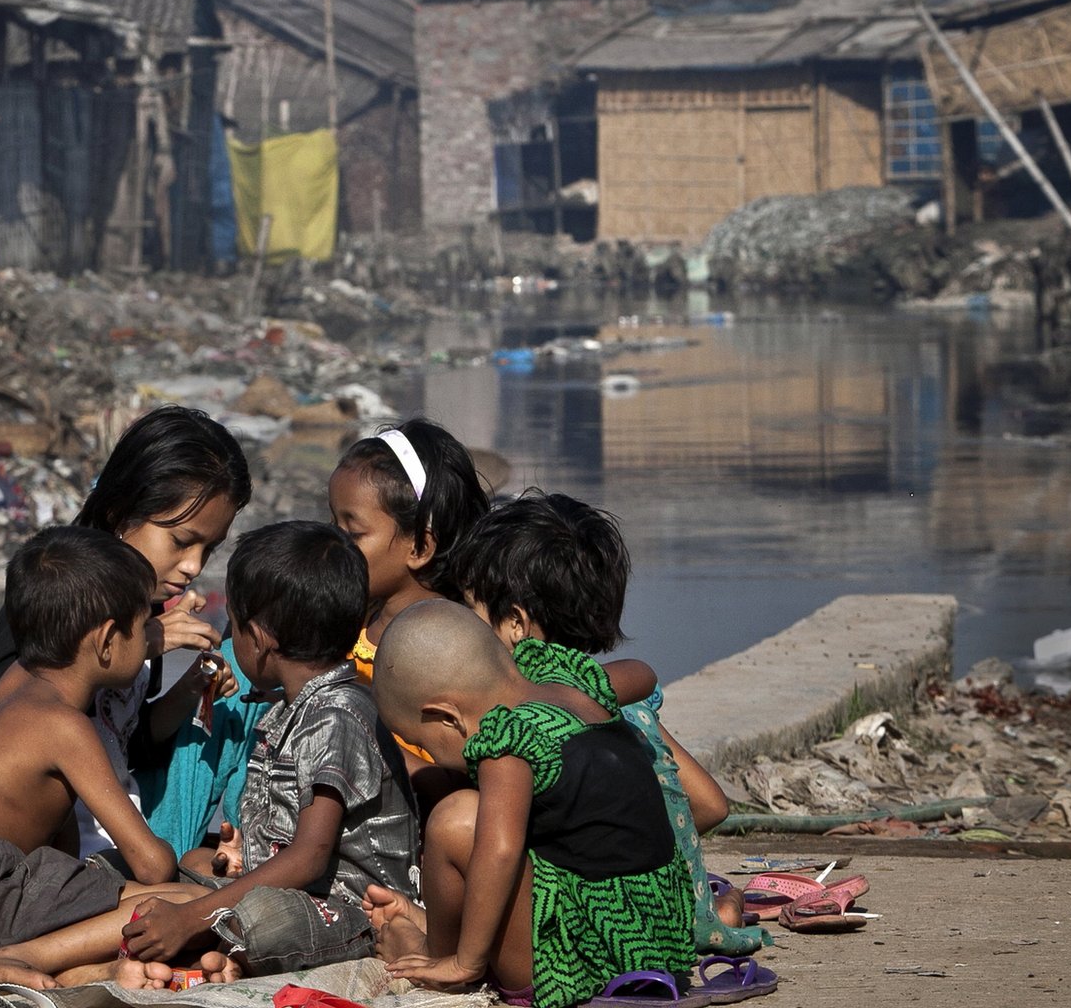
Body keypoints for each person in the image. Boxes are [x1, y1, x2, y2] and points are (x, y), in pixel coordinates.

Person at [0, 527, 229, 996]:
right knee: (196, 903)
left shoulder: (15, 686)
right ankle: (16, 960)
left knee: (150, 883)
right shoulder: (63, 724)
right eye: (142, 628)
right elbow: (152, 865)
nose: (150, 640)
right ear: (108, 640)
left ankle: (72, 975)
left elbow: (61, 853)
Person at [456, 490, 767, 957]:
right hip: (675, 914)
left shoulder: (523, 727)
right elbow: (711, 806)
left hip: (603, 933)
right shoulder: (630, 709)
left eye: (472, 613)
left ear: (516, 624)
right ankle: (718, 910)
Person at [117, 522, 419, 979]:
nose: (230, 638)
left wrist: (192, 919)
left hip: (355, 912)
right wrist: (243, 855)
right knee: (192, 864)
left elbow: (309, 858)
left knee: (261, 919)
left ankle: (205, 953)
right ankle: (210, 953)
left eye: (233, 626)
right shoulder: (289, 709)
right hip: (300, 891)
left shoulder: (335, 715)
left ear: (258, 639)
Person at [366, 600, 696, 1008]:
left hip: (582, 963)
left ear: (448, 717)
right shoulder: (573, 683)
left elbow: (502, 851)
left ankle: (439, 956)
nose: (428, 753)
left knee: (457, 820)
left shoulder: (506, 741)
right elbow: (644, 674)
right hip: (660, 941)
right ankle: (433, 930)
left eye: (421, 742)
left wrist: (466, 964)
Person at [0, 406, 252, 862]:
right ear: (123, 514)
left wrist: (191, 689)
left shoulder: (145, 602)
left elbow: (127, 741)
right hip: (45, 848)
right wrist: (147, 639)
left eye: (210, 548)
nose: (194, 567)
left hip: (109, 827)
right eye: (181, 542)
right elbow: (2, 722)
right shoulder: (56, 586)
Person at [328, 418, 488, 685]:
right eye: (333, 523)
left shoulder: (448, 648)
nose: (332, 541)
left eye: (354, 533)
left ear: (420, 548)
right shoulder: (347, 622)